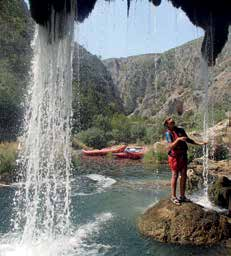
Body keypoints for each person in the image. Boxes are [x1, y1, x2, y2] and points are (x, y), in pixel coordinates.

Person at [164, 117, 207, 205]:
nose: (173, 123)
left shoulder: (180, 130)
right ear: (167, 125)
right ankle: (173, 196)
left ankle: (182, 196)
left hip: (183, 155)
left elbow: (188, 140)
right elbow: (170, 146)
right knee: (175, 175)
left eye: (173, 122)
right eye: (171, 122)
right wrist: (178, 139)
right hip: (174, 157)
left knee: (184, 175)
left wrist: (199, 143)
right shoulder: (168, 133)